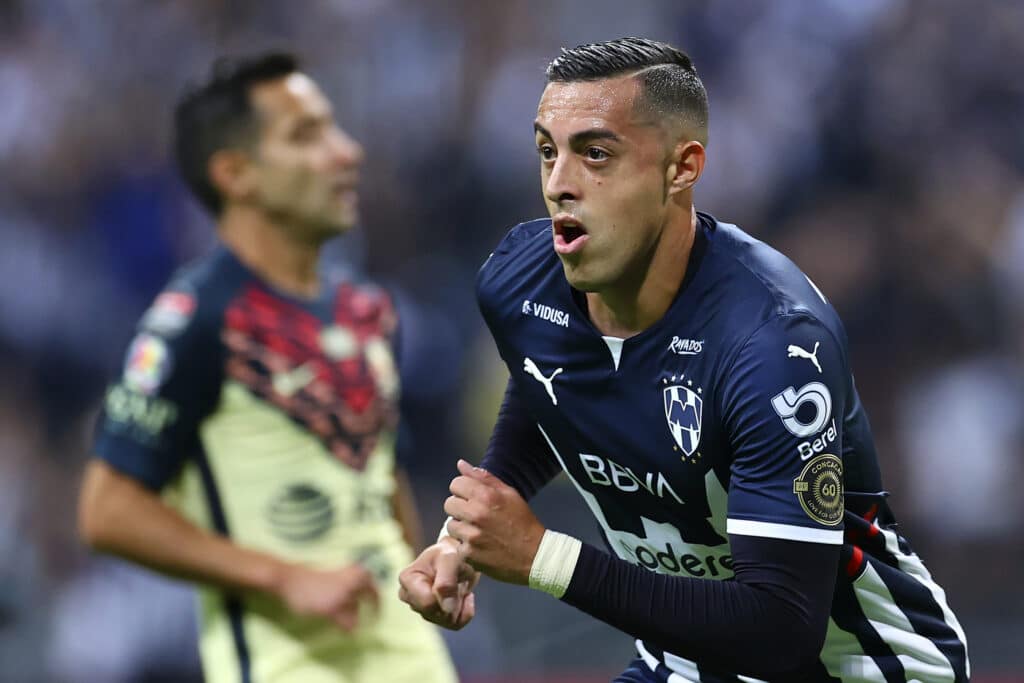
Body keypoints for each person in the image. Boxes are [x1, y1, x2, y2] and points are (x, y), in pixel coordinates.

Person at [398, 38, 969, 682]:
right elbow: (547, 387)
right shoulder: (519, 284)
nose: (559, 185)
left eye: (596, 155)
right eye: (546, 152)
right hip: (688, 665)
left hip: (857, 669)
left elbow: (780, 631)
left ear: (683, 168)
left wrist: (541, 556)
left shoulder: (771, 345)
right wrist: (468, 537)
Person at [78, 52, 457, 683]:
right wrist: (286, 578)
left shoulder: (366, 310)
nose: (347, 152)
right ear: (236, 173)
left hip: (411, 659)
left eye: (334, 128)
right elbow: (107, 510)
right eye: (306, 136)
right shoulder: (196, 316)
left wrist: (424, 570)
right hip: (286, 664)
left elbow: (381, 474)